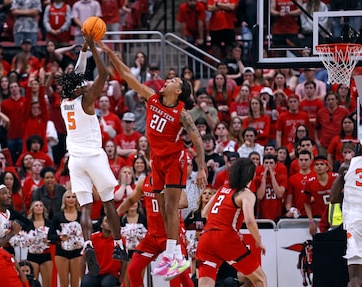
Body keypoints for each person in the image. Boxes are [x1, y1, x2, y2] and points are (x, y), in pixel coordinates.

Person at [102, 41, 207, 279]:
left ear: (178, 91)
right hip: (157, 161)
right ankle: (173, 254)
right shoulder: (152, 98)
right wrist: (111, 54)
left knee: (170, 207)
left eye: (173, 81)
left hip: (175, 160)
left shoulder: (182, 113)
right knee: (164, 209)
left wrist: (200, 169)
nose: (168, 81)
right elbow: (128, 76)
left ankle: (175, 255)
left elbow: (198, 141)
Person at [59, 35, 128, 277]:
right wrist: (97, 51)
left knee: (86, 207)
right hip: (93, 156)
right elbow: (104, 74)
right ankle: (119, 246)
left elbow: (77, 74)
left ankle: (87, 244)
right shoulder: (86, 101)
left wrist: (84, 51)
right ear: (78, 87)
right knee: (108, 202)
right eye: (82, 84)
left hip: (75, 160)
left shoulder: (64, 101)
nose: (85, 84)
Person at [196, 158, 267, 287]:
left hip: (206, 237)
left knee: (205, 283)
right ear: (252, 174)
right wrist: (258, 240)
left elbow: (205, 212)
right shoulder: (246, 193)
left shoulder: (223, 188)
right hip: (225, 237)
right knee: (259, 279)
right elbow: (250, 221)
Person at [330, 149, 362, 287]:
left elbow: (333, 199)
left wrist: (340, 175)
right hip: (354, 220)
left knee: (355, 277)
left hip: (354, 221)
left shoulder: (348, 165)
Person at [48, 191, 83, 287]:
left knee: (75, 283)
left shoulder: (81, 215)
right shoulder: (57, 216)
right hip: (61, 253)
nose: (71, 199)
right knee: (63, 284)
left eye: (73, 197)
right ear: (64, 200)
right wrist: (60, 238)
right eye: (68, 197)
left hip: (77, 253)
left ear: (76, 199)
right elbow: (50, 236)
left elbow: (90, 231)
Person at [80, 215, 127, 287]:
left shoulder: (120, 240)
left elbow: (124, 261)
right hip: (94, 273)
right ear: (101, 225)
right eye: (107, 221)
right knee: (86, 283)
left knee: (106, 284)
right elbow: (83, 258)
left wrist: (121, 278)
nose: (109, 223)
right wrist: (83, 277)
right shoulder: (93, 238)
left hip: (112, 274)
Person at [26, 201, 52, 287]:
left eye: (41, 205)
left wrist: (49, 239)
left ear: (44, 209)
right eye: (36, 205)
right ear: (32, 209)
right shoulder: (28, 223)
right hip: (32, 255)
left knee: (47, 284)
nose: (39, 207)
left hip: (46, 255)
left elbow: (54, 236)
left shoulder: (49, 223)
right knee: (33, 283)